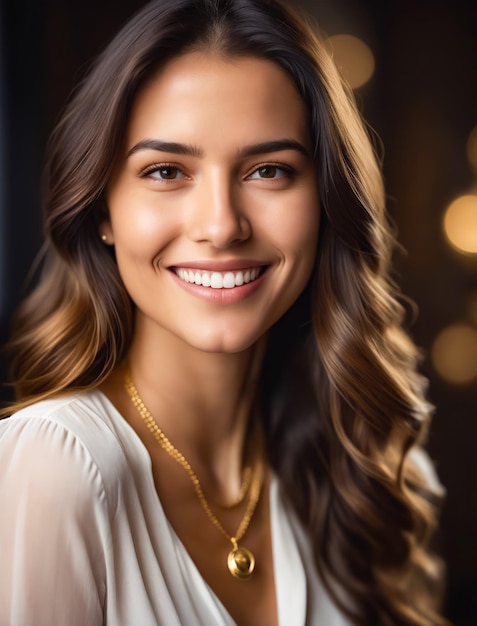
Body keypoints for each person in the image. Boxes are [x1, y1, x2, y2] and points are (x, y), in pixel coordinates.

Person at [0, 0, 448, 624]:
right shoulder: (56, 465)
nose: (220, 226)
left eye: (268, 170)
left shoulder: (358, 461)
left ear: (323, 200)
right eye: (165, 171)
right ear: (103, 210)